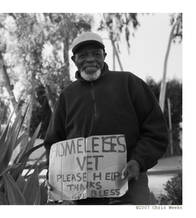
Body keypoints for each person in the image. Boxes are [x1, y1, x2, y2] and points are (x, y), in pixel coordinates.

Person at [44, 32, 168, 205]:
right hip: (83, 193)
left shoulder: (129, 83)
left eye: (96, 54)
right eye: (83, 55)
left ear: (105, 56)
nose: (90, 59)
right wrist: (55, 176)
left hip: (129, 184)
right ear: (74, 60)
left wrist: (138, 161)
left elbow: (156, 131)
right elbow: (54, 143)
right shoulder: (67, 96)